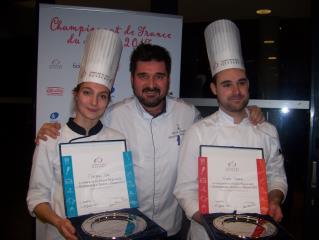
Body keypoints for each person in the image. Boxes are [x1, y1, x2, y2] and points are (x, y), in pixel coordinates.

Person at [35, 43, 265, 239]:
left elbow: (220, 132)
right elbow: (82, 125)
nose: (151, 84)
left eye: (159, 76)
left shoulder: (188, 115)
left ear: (168, 79)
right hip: (126, 227)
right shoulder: (112, 115)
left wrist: (247, 113)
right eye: (143, 76)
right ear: (132, 79)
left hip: (172, 227)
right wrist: (50, 129)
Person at [174, 19, 288, 239]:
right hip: (206, 234)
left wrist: (274, 201)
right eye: (227, 84)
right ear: (214, 88)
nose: (236, 91)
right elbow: (185, 190)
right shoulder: (197, 132)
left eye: (242, 82)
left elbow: (276, 176)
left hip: (255, 230)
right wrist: (212, 224)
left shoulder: (268, 131)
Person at [27, 29, 123, 240]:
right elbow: (36, 198)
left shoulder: (117, 140)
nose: (94, 102)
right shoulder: (51, 138)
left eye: (102, 96)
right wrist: (59, 222)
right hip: (60, 234)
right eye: (87, 92)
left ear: (108, 101)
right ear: (76, 94)